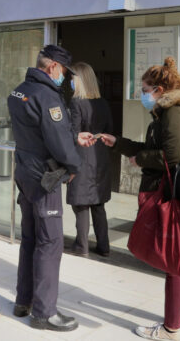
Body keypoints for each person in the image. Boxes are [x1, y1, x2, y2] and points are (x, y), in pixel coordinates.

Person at [100, 57, 180, 340]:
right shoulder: (168, 112)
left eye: (145, 89)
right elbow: (153, 148)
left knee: (175, 261)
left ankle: (171, 328)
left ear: (159, 90)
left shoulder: (174, 113)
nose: (142, 95)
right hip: (176, 194)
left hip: (174, 196)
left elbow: (170, 156)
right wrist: (118, 143)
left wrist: (140, 159)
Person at [7, 44, 93, 332]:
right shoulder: (48, 96)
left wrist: (72, 135)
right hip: (45, 178)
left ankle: (24, 301)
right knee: (50, 242)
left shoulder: (19, 91)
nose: (64, 77)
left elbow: (40, 132)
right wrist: (74, 166)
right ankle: (44, 313)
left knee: (30, 238)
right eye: (64, 71)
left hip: (25, 172)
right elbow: (57, 141)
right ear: (54, 66)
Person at [66, 61, 114, 258]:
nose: (70, 81)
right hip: (100, 156)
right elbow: (110, 130)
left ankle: (81, 246)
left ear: (80, 80)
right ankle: (104, 246)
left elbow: (74, 132)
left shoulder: (76, 103)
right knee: (98, 203)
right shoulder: (103, 103)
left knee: (81, 204)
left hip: (82, 155)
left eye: (72, 78)